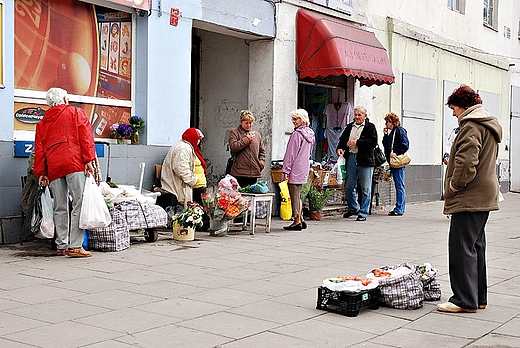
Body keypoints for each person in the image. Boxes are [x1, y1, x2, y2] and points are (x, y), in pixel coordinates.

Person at [437, 85, 502, 313]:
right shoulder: (486, 124)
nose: (453, 113)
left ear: (463, 106)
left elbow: (466, 162)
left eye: (454, 108)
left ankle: (463, 300)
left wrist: (454, 186)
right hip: (483, 195)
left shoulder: (471, 126)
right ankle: (478, 298)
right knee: (476, 246)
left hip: (469, 196)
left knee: (461, 248)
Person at [33, 87, 97, 257]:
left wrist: (42, 172)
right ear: (65, 99)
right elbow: (86, 137)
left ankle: (61, 245)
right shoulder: (76, 113)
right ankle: (75, 245)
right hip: (74, 163)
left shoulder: (42, 123)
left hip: (54, 167)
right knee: (78, 203)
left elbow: (40, 149)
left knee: (60, 206)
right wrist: (89, 160)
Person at [161, 128, 209, 231]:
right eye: (198, 139)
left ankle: (200, 224)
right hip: (187, 183)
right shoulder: (184, 148)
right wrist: (192, 179)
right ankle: (201, 225)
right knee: (196, 205)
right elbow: (180, 167)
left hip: (192, 183)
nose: (199, 141)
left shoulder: (187, 147)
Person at [336, 106, 378, 222]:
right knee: (349, 186)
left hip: (365, 160)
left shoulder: (370, 127)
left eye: (359, 115)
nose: (357, 117)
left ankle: (363, 212)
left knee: (365, 188)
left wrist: (357, 142)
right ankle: (354, 208)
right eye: (355, 114)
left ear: (365, 116)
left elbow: (373, 142)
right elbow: (343, 140)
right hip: (351, 158)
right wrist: (340, 148)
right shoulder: (350, 127)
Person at [281, 109, 315, 231]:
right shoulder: (310, 133)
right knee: (298, 194)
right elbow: (310, 152)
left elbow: (290, 154)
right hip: (304, 166)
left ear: (303, 119)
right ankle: (300, 218)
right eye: (293, 119)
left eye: (296, 119)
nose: (294, 122)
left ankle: (296, 220)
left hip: (295, 167)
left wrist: (286, 170)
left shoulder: (297, 134)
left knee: (294, 195)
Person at [228, 109, 266, 188]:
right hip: (239, 172)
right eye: (246, 123)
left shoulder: (257, 135)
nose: (249, 125)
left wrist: (261, 162)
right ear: (241, 122)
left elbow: (262, 151)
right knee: (240, 197)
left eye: (251, 123)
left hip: (254, 172)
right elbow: (233, 147)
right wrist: (247, 139)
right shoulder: (234, 132)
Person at [382, 112, 410, 216]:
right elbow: (386, 145)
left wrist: (396, 153)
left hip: (397, 162)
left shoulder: (399, 130)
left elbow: (405, 145)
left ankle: (399, 208)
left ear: (392, 122)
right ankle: (399, 207)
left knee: (399, 185)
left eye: (387, 122)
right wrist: (385, 136)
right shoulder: (392, 132)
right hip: (392, 162)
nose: (386, 124)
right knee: (398, 184)